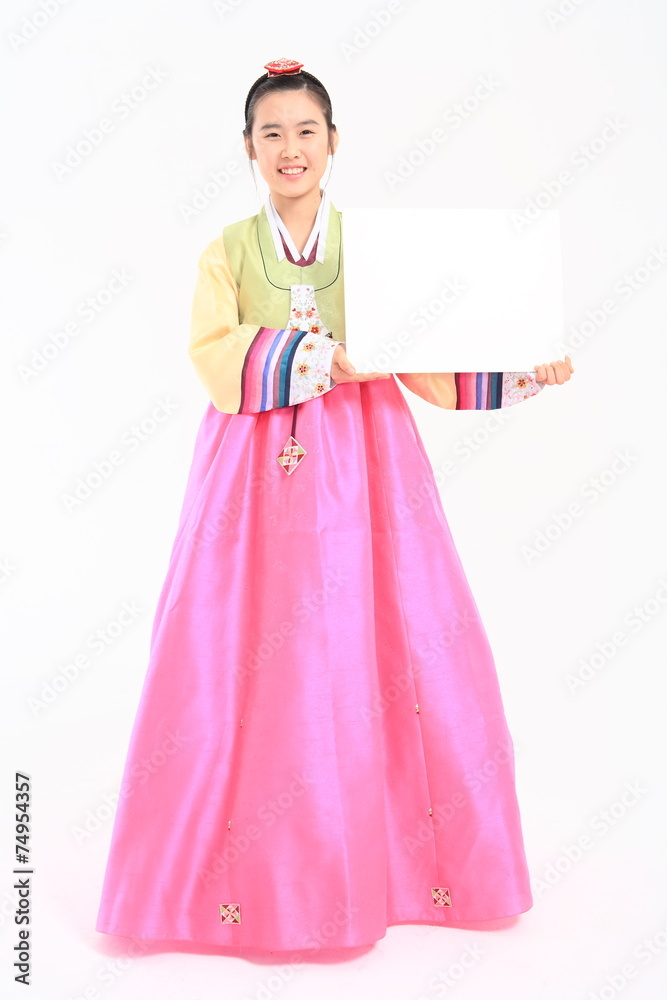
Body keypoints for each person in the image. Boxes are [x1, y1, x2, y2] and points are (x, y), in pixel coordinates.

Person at [95, 57, 574, 955]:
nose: (290, 148)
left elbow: (432, 347)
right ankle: (235, 872)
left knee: (386, 630)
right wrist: (311, 357)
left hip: (366, 457)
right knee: (240, 641)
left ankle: (396, 861)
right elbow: (212, 351)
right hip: (252, 467)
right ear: (248, 148)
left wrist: (524, 361)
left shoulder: (376, 248)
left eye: (305, 131)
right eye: (271, 133)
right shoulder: (227, 250)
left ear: (333, 141)